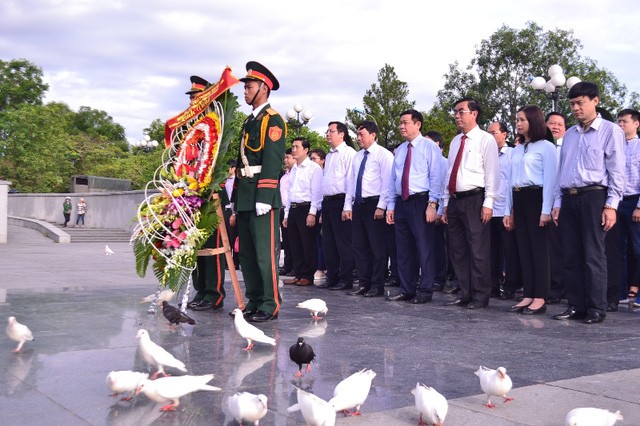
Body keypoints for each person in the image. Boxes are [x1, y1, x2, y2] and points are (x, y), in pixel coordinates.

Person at [551, 82, 625, 324]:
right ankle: (575, 305)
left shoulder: (610, 130)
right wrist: (557, 202)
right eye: (572, 104)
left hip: (595, 197)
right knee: (570, 255)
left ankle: (596, 307)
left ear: (595, 101)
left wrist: (611, 205)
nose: (575, 108)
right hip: (569, 198)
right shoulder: (570, 134)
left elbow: (617, 171)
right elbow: (561, 170)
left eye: (580, 103)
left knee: (594, 254)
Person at [232, 61, 286, 322]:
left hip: (261, 196)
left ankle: (269, 302)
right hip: (244, 194)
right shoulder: (250, 121)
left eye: (249, 87)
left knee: (265, 253)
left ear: (263, 89)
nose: (245, 91)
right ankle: (254, 299)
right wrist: (235, 199)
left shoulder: (272, 120)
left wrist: (265, 196)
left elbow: (273, 161)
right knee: (248, 253)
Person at [442, 97, 499, 309]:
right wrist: (445, 202)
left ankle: (480, 295)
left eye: (461, 111)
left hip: (475, 199)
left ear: (474, 114)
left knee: (478, 250)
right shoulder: (456, 141)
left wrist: (489, 202)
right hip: (455, 201)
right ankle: (465, 292)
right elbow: (450, 172)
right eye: (455, 112)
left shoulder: (485, 139)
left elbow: (493, 172)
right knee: (458, 250)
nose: (457, 115)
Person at [503, 106, 557, 315]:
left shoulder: (546, 147)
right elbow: (510, 181)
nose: (518, 123)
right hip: (519, 196)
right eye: (517, 119)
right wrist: (509, 210)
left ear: (533, 121)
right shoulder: (517, 149)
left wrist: (546, 210)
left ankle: (541, 296)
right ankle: (528, 293)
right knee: (523, 249)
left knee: (539, 250)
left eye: (522, 120)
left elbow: (551, 180)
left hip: (537, 197)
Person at [386, 109, 442, 304]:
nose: (401, 126)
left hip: (421, 201)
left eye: (405, 122)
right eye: (400, 123)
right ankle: (407, 288)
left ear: (418, 124)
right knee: (403, 248)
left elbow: (436, 177)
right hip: (402, 202)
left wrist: (432, 204)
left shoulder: (429, 147)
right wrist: (391, 206)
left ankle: (425, 290)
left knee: (424, 247)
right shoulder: (401, 150)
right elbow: (394, 180)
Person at [183, 75, 226, 312]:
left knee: (212, 246)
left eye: (196, 97)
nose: (192, 102)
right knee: (195, 247)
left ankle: (214, 292)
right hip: (191, 194)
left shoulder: (215, 125)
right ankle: (200, 290)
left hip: (211, 194)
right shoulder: (190, 128)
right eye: (190, 97)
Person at [344, 120, 393, 297]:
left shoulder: (384, 155)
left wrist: (381, 206)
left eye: (362, 134)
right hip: (359, 204)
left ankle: (377, 284)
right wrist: (347, 205)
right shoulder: (357, 156)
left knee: (377, 247)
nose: (358, 138)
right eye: (357, 135)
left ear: (373, 135)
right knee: (359, 245)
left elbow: (388, 183)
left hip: (375, 204)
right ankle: (363, 283)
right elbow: (350, 182)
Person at [320, 121, 356, 291]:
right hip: (328, 202)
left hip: (341, 201)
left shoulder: (349, 153)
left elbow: (350, 181)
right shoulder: (329, 155)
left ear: (342, 134)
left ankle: (346, 278)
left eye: (331, 131)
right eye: (327, 131)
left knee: (344, 243)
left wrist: (347, 206)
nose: (328, 134)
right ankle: (331, 277)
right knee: (329, 242)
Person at [486, 122, 520, 300]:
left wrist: (512, 210)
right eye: (488, 133)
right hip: (489, 209)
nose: (491, 136)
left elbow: (514, 184)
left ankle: (510, 286)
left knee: (510, 250)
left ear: (504, 134)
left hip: (506, 210)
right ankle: (492, 285)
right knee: (491, 251)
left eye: (494, 132)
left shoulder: (513, 154)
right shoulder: (484, 155)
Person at [282, 137, 323, 287]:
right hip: (293, 208)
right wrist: (286, 214)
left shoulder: (314, 168)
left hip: (306, 208)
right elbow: (291, 192)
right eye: (292, 147)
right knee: (295, 244)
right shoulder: (294, 170)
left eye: (297, 147)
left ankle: (307, 275)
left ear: (306, 150)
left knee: (308, 244)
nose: (294, 150)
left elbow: (317, 192)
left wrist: (312, 213)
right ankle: (297, 273)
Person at [616, 108, 640, 308]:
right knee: (618, 249)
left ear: (636, 124)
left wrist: (639, 207)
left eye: (624, 121)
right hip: (616, 201)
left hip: (635, 200)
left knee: (638, 248)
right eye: (619, 121)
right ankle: (621, 292)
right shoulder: (616, 146)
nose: (621, 125)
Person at [545, 112, 568, 304]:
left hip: (561, 203)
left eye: (560, 124)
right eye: (551, 123)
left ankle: (560, 287)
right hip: (542, 203)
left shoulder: (566, 147)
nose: (555, 127)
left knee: (560, 248)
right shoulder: (542, 147)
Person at [424, 131, 449, 292]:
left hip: (437, 208)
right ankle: (428, 275)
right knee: (426, 245)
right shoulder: (424, 161)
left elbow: (442, 188)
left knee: (438, 246)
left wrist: (439, 210)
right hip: (423, 205)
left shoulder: (444, 163)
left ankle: (440, 277)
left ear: (438, 145)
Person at [309, 148, 327, 282]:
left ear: (322, 161)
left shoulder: (323, 173)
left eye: (314, 158)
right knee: (316, 241)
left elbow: (321, 195)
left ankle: (322, 267)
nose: (312, 161)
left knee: (323, 241)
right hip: (315, 209)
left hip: (323, 209)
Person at [279, 148, 295, 276]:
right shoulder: (284, 176)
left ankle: (295, 266)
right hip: (283, 209)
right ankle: (287, 265)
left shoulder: (295, 174)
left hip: (291, 209)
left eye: (288, 157)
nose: (286, 160)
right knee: (286, 239)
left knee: (293, 240)